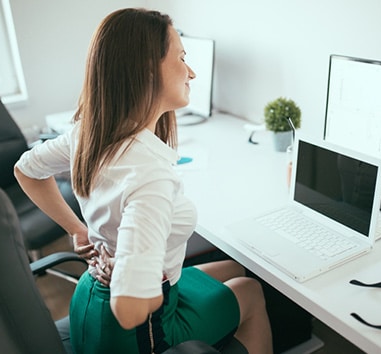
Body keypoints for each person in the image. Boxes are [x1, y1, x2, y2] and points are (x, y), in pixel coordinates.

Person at [14, 7, 273, 354]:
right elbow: (130, 306)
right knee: (251, 291)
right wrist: (137, 266)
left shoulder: (90, 133)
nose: (192, 72)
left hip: (89, 298)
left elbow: (26, 170)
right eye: (182, 58)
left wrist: (78, 230)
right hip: (136, 331)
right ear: (149, 69)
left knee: (232, 266)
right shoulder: (149, 176)